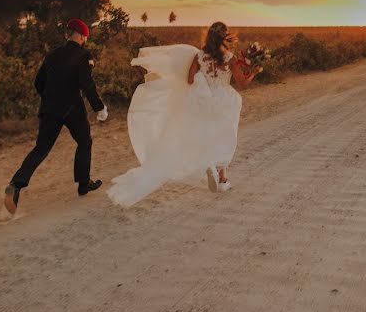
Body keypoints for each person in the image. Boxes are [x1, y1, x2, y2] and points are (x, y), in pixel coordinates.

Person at [106, 22, 259, 206]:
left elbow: (189, 79)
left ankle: (210, 165)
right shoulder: (229, 58)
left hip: (203, 99)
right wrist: (254, 73)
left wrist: (204, 86)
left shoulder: (199, 57)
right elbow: (242, 83)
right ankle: (222, 177)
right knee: (223, 136)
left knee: (206, 133)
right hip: (224, 101)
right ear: (224, 37)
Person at [4, 19, 109, 214]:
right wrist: (99, 107)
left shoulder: (52, 55)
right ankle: (83, 183)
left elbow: (38, 82)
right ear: (83, 36)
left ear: (66, 34)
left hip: (49, 108)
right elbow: (87, 84)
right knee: (84, 141)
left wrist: (50, 97)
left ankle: (16, 185)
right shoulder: (83, 55)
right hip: (72, 109)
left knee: (41, 148)